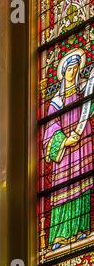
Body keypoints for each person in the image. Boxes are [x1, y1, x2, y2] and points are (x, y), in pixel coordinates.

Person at [44, 48, 94, 251]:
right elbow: (50, 128)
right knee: (65, 188)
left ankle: (81, 228)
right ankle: (61, 235)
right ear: (64, 73)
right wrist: (64, 141)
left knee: (82, 184)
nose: (72, 72)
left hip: (82, 146)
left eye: (75, 68)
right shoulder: (56, 102)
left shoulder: (84, 95)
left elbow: (88, 113)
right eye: (69, 69)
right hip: (66, 153)